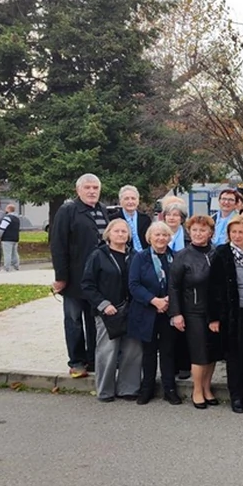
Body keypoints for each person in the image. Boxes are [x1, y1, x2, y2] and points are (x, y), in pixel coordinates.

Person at [51, 173, 109, 378]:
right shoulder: (68, 210)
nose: (92, 191)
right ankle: (76, 361)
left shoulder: (103, 210)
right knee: (74, 320)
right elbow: (58, 245)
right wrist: (61, 277)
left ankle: (93, 359)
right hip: (75, 278)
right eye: (88, 188)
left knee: (94, 321)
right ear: (78, 190)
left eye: (95, 188)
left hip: (98, 279)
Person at [80, 219, 141, 402]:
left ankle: (128, 388)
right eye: (117, 231)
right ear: (108, 234)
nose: (120, 234)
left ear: (129, 235)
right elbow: (87, 285)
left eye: (124, 231)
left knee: (132, 351)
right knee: (108, 351)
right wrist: (103, 304)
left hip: (132, 310)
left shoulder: (135, 255)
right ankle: (105, 390)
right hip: (108, 312)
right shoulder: (98, 255)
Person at [209, 216, 243, 414]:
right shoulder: (222, 253)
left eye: (241, 232)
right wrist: (214, 317)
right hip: (232, 313)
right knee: (234, 356)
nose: (237, 236)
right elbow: (213, 286)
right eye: (233, 232)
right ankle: (236, 396)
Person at [168, 214, 221, 409]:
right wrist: (176, 313)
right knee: (199, 353)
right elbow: (173, 286)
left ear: (210, 232)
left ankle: (207, 388)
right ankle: (197, 390)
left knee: (212, 352)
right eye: (195, 230)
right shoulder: (182, 256)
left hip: (214, 312)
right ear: (189, 232)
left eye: (203, 230)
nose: (198, 233)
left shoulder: (216, 253)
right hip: (193, 311)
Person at [128, 221, 182, 406]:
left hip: (168, 311)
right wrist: (154, 300)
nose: (161, 238)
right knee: (149, 352)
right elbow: (134, 285)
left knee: (168, 352)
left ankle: (170, 389)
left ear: (169, 238)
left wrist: (168, 301)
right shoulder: (140, 257)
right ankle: (147, 389)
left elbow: (180, 284)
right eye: (157, 235)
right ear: (149, 238)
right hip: (147, 311)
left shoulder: (175, 257)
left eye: (164, 235)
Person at [109, 185, 151, 252]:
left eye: (133, 198)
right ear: (120, 201)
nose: (130, 202)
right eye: (126, 199)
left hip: (145, 254)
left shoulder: (145, 219)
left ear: (138, 201)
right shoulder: (113, 219)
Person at [0, 204, 21, 271]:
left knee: (7, 253)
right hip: (15, 238)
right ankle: (16, 266)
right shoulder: (17, 218)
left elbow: (2, 228)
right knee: (15, 253)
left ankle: (6, 267)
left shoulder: (7, 218)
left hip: (7, 238)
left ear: (8, 209)